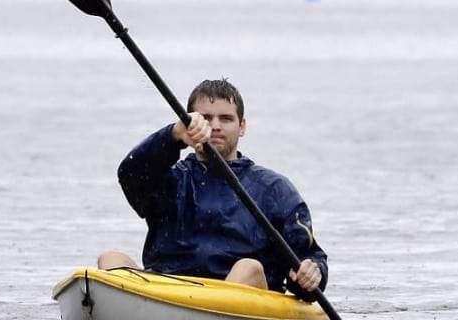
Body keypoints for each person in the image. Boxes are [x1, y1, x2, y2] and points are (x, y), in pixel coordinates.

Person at [97, 79, 328, 301]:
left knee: (248, 268)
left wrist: (311, 274)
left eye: (226, 119)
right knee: (110, 259)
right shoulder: (169, 181)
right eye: (206, 118)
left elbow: (308, 258)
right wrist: (172, 135)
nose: (215, 126)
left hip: (241, 292)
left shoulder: (274, 189)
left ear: (242, 127)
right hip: (170, 291)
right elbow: (130, 173)